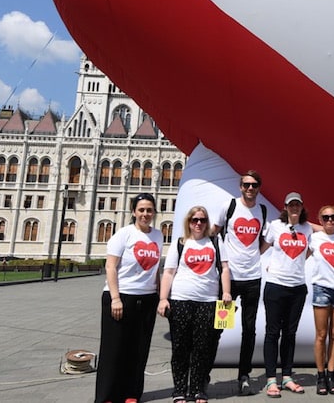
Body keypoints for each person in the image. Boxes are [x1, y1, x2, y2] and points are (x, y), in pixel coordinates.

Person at [159, 205, 232, 403]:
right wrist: (163, 298)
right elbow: (169, 272)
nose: (198, 224)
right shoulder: (180, 243)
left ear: (207, 223)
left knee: (203, 347)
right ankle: (180, 389)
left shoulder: (216, 241)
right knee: (181, 347)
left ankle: (198, 388)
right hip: (181, 300)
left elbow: (224, 268)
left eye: (202, 220)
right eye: (194, 220)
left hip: (207, 302)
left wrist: (226, 292)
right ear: (189, 223)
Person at [95, 192, 163, 403]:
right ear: (133, 211)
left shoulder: (158, 236)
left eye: (149, 210)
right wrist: (116, 298)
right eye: (141, 209)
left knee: (139, 349)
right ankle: (108, 396)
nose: (145, 213)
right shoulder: (123, 234)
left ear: (154, 212)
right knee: (113, 350)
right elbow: (110, 266)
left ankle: (132, 393)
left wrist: (161, 296)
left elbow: (156, 270)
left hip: (147, 298)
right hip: (121, 297)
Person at [218, 170, 270, 396]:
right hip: (230, 280)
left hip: (252, 279)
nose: (250, 188)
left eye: (254, 185)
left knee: (249, 329)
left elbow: (266, 239)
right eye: (247, 185)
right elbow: (214, 233)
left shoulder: (262, 210)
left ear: (259, 188)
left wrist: (255, 255)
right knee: (220, 326)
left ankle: (244, 376)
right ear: (240, 187)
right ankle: (204, 374)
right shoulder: (229, 207)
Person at [262, 192, 313, 397]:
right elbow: (262, 248)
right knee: (272, 332)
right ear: (285, 207)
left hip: (298, 288)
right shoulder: (275, 226)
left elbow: (309, 250)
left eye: (297, 205)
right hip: (275, 285)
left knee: (290, 334)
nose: (294, 208)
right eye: (291, 205)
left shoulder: (307, 228)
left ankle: (287, 376)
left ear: (301, 208)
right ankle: (271, 379)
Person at [309, 204, 334, 395]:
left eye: (333, 216)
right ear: (320, 220)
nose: (330, 220)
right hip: (321, 288)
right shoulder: (315, 238)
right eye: (325, 217)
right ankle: (320, 376)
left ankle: (331, 374)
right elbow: (301, 255)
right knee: (321, 334)